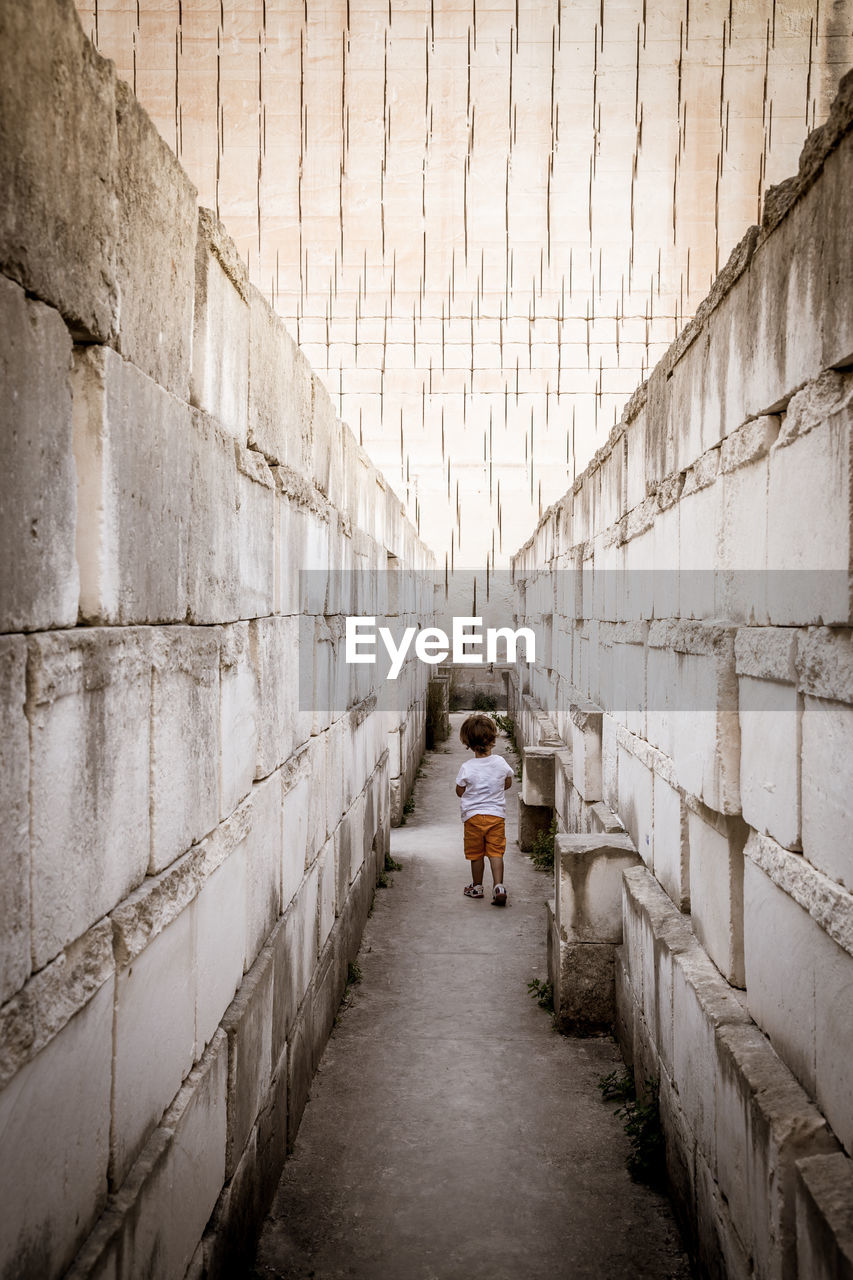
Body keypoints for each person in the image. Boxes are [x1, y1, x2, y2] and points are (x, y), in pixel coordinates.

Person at [455, 712, 514, 905]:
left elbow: (459, 791)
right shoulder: (500, 762)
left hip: (473, 818)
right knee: (496, 852)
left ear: (468, 743)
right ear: (493, 739)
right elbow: (507, 782)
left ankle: (477, 886)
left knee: (476, 854)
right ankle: (499, 886)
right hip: (496, 817)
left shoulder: (467, 767)